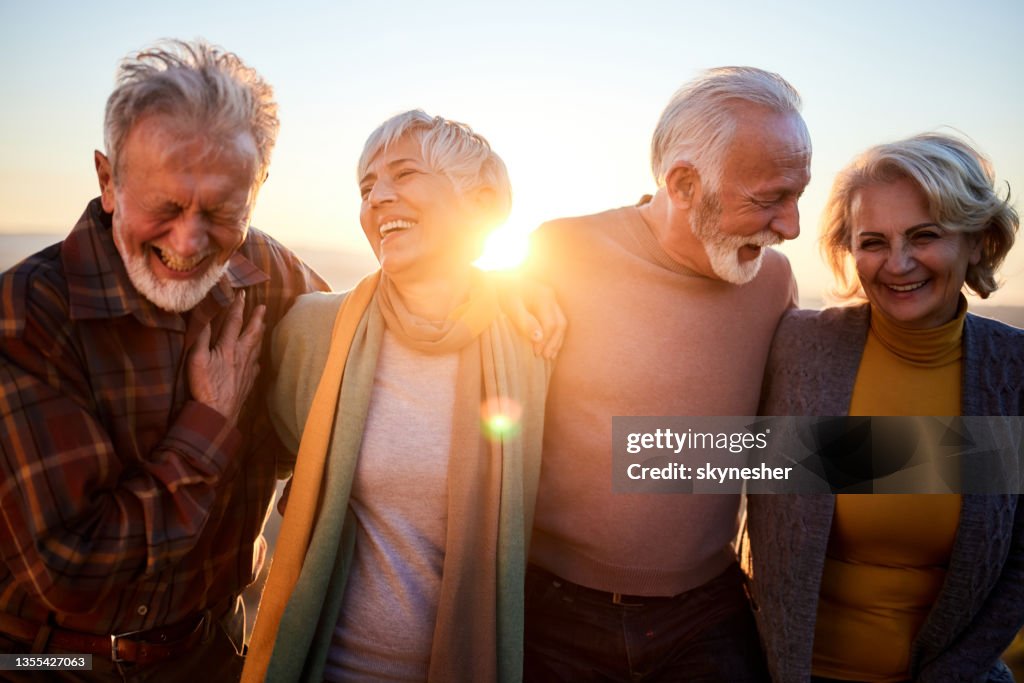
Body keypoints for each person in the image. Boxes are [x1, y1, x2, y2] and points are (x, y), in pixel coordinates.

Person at [0, 40, 330, 681]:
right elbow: (72, 575)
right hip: (45, 660)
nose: (189, 242)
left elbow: (389, 335)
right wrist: (209, 425)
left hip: (209, 655)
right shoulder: (26, 317)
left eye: (222, 211)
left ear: (258, 187)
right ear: (107, 180)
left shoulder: (274, 279)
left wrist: (507, 306)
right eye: (166, 206)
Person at [240, 111, 551, 683]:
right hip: (326, 666)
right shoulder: (316, 332)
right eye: (366, 187)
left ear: (479, 203)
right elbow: (262, 457)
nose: (378, 198)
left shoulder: (534, 343)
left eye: (404, 175)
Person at [523, 67, 811, 681]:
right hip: (552, 612)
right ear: (684, 183)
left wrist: (981, 455)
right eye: (769, 199)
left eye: (797, 196)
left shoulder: (775, 282)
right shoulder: (559, 252)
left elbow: (784, 448)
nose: (790, 227)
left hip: (706, 614)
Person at [748, 133, 1024, 682]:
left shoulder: (1013, 373)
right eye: (872, 242)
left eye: (925, 235)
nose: (898, 264)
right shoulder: (800, 347)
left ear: (978, 241)